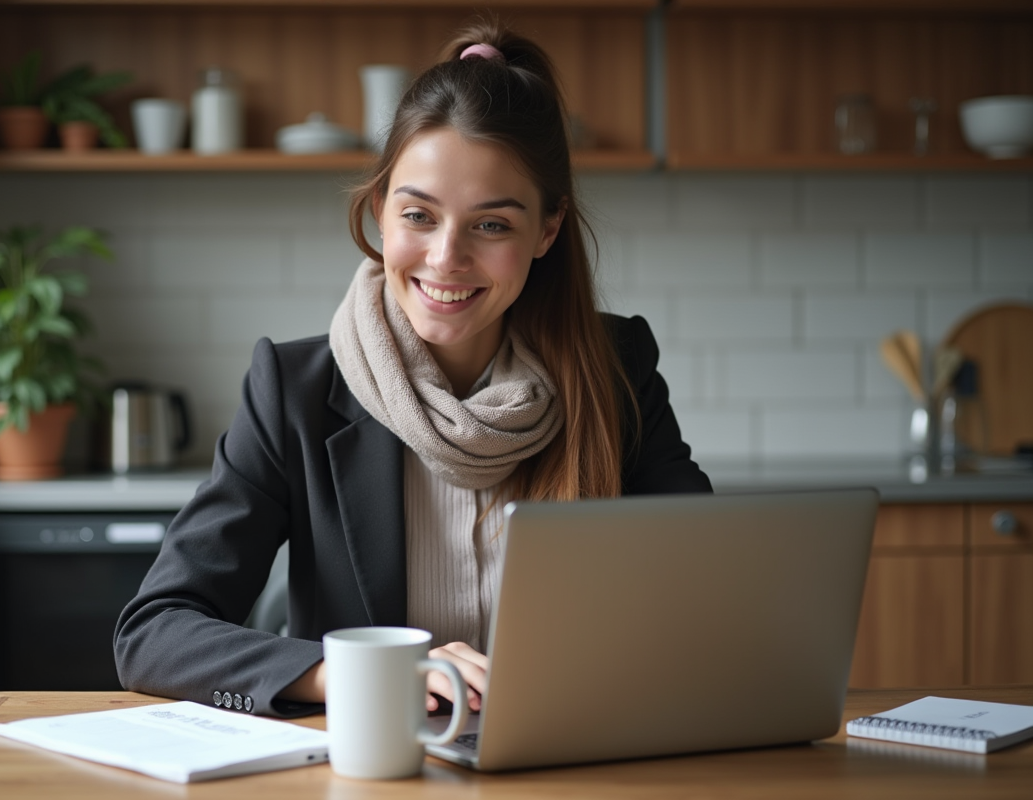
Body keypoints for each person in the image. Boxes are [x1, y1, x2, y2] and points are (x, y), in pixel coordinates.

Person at [114, 18, 711, 719]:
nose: (446, 258)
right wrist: (362, 672)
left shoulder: (617, 370)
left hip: (571, 761)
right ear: (379, 211)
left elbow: (702, 597)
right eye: (418, 216)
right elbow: (152, 634)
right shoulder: (294, 390)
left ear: (547, 230)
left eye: (491, 224)